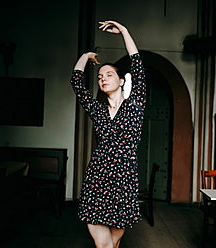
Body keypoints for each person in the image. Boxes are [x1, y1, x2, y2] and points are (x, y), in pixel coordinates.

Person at [70, 20, 146, 248]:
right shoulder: (98, 111)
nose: (103, 78)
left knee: (112, 244)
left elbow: (138, 64)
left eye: (109, 74)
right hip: (98, 177)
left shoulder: (135, 104)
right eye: (100, 76)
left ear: (122, 81)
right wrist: (85, 56)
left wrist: (124, 31)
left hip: (124, 179)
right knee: (104, 246)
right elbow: (76, 83)